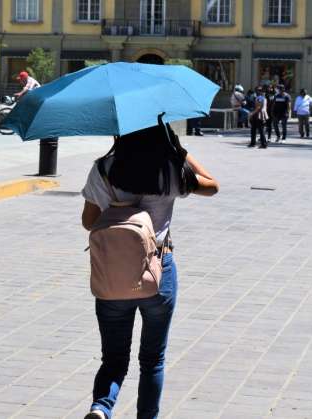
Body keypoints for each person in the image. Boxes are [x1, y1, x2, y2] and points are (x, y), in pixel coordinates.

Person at [81, 123, 218, 419]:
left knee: (114, 359)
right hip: (159, 270)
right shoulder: (170, 167)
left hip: (114, 272)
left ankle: (101, 408)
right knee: (153, 359)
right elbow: (212, 186)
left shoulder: (104, 168)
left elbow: (89, 221)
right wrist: (181, 152)